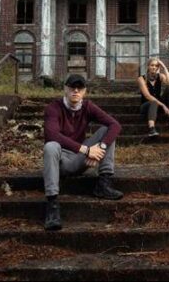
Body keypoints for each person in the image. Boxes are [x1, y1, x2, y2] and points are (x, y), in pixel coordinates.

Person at [43, 74, 123, 231]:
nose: (76, 90)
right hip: (61, 162)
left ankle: (103, 183)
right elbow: (52, 135)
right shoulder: (53, 108)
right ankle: (52, 205)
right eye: (72, 87)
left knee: (107, 130)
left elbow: (115, 125)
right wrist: (86, 150)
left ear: (85, 91)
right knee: (51, 146)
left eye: (79, 88)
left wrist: (100, 150)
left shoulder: (87, 106)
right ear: (65, 89)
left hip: (79, 159)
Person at [137, 58, 169, 137]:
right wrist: (163, 105)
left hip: (158, 105)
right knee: (154, 101)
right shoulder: (141, 79)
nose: (154, 67)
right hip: (146, 106)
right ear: (148, 66)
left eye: (156, 66)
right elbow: (147, 96)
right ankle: (151, 129)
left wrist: (164, 67)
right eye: (152, 65)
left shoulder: (160, 76)